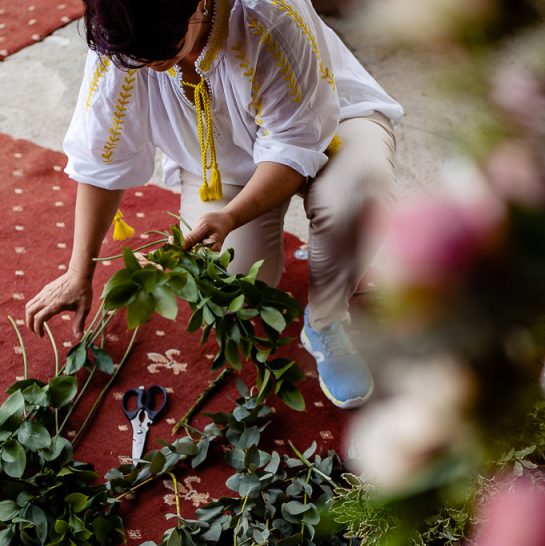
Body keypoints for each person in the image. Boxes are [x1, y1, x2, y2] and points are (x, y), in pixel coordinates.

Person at [23, 0, 402, 409]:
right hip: (220, 160)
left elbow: (294, 146)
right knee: (231, 282)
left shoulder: (268, 15)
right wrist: (78, 273)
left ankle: (326, 320)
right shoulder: (121, 39)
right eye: (138, 60)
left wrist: (231, 216)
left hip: (331, 121)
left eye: (163, 53)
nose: (150, 67)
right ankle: (308, 251)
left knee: (356, 196)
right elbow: (99, 160)